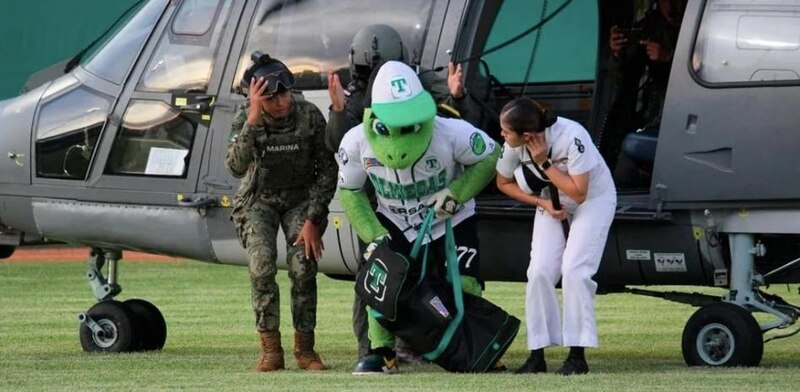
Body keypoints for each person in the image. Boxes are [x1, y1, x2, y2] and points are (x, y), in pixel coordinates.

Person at [336, 60, 499, 374]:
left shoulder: (451, 132)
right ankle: (382, 352)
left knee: (463, 282)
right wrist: (371, 232)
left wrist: (456, 193)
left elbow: (490, 155)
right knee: (381, 283)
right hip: (393, 218)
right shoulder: (355, 141)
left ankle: (477, 349)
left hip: (450, 218)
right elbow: (351, 190)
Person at [325, 23, 470, 365]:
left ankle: (417, 343)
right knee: (377, 276)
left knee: (422, 277)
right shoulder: (354, 97)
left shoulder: (421, 89)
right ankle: (375, 348)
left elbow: (454, 130)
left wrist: (455, 97)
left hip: (421, 201)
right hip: (379, 205)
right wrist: (336, 111)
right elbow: (339, 146)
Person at [225, 52, 337, 372]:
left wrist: (314, 218)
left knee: (303, 266)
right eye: (272, 97)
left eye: (284, 93)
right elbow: (234, 167)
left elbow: (327, 170)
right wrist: (253, 117)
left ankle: (305, 350)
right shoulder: (247, 117)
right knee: (261, 267)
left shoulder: (309, 116)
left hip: (300, 200)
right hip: (258, 201)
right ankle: (271, 351)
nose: (281, 102)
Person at [495, 98, 616, 375]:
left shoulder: (572, 136)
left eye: (506, 131)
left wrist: (544, 163)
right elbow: (502, 182)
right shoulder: (514, 144)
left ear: (527, 135)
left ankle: (577, 356)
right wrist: (541, 203)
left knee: (574, 269)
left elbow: (579, 192)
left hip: (592, 199)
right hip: (551, 198)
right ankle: (537, 355)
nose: (501, 134)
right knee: (538, 271)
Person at [599, 0, 685, 171]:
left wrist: (670, 57)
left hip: (679, 112)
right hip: (642, 114)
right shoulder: (647, 28)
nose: (671, 7)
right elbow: (622, 79)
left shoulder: (699, 27)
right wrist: (617, 53)